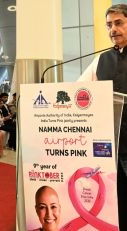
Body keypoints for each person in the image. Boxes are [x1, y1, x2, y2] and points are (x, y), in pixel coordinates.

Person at [78, 4, 127, 229]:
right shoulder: (101, 60)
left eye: (118, 23)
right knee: (116, 200)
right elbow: (78, 90)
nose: (113, 30)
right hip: (109, 147)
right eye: (109, 25)